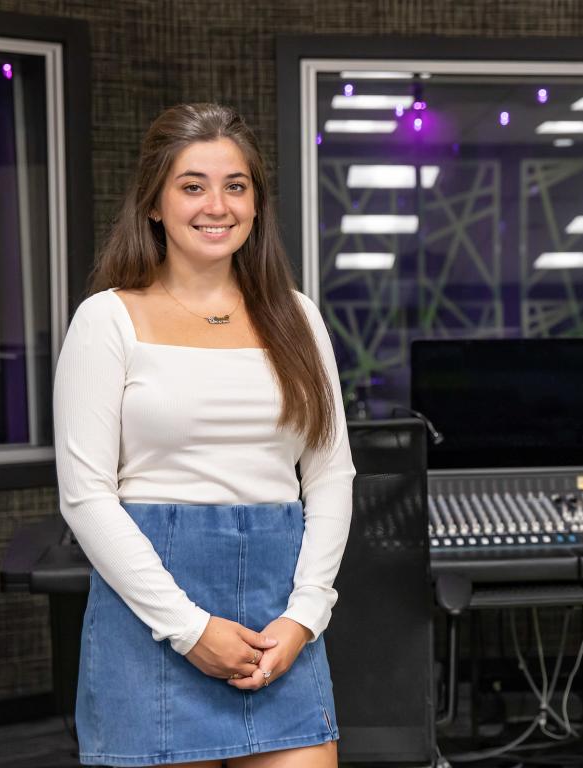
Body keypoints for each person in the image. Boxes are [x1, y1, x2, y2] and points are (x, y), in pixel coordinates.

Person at [53, 103, 354, 768]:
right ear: (154, 205)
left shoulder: (297, 317)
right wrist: (189, 630)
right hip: (150, 615)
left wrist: (305, 616)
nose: (216, 205)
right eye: (192, 186)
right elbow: (85, 498)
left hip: (280, 623)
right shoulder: (106, 320)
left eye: (235, 186)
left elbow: (331, 474)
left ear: (256, 203)